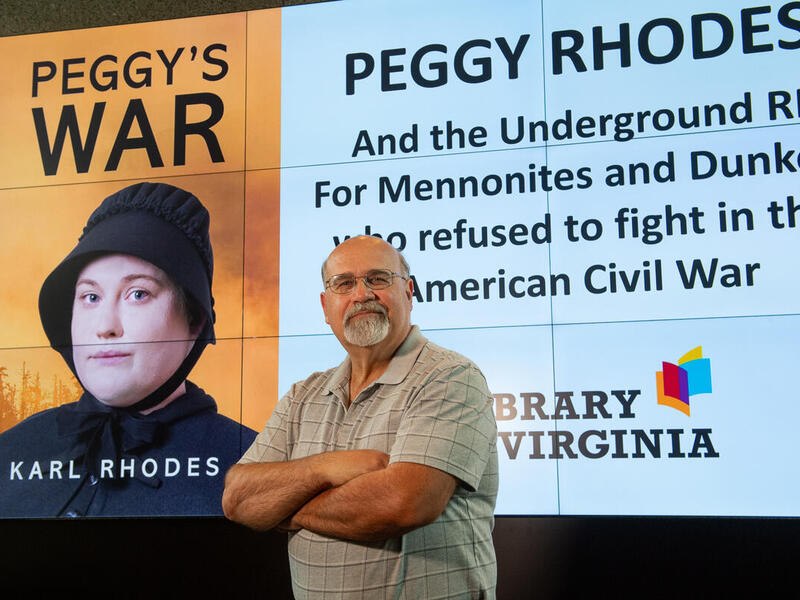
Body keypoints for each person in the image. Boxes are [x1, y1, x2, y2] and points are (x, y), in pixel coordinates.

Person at [223, 236, 498, 599]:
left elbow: (403, 503)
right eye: (344, 283)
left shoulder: (450, 377)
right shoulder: (303, 395)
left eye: (378, 279)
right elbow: (238, 498)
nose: (362, 294)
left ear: (409, 293)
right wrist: (324, 468)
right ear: (326, 306)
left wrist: (285, 508)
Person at [0, 182, 255, 517]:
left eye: (138, 294)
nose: (106, 326)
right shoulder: (11, 450)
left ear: (194, 320)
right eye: (91, 297)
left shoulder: (254, 466)